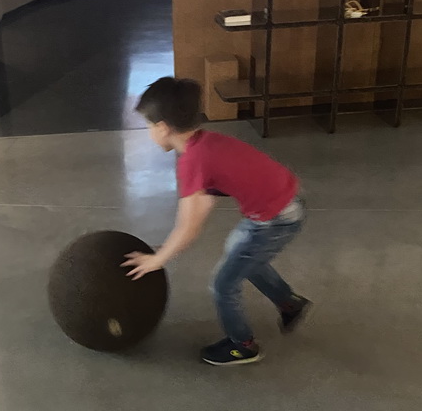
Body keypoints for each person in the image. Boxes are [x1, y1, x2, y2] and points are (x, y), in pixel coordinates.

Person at [123, 78, 310, 366]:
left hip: (278, 218)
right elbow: (202, 205)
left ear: (162, 127)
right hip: (281, 205)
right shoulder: (205, 144)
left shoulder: (194, 161)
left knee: (223, 284)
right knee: (239, 250)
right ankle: (290, 303)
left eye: (148, 126)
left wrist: (157, 260)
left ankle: (243, 345)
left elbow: (189, 228)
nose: (149, 133)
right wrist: (166, 248)